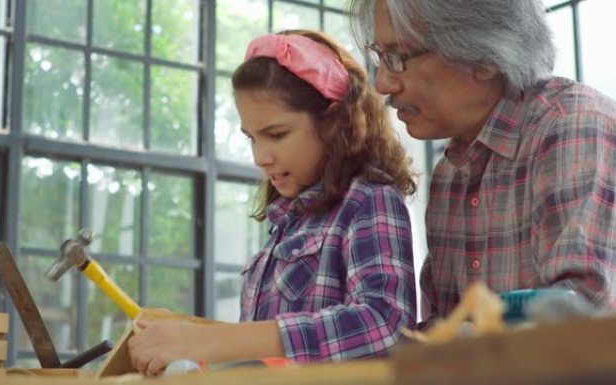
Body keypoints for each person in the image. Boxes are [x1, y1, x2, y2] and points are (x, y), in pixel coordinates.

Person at [128, 29, 417, 375]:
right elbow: (262, 357)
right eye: (252, 138)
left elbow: (384, 322)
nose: (260, 158)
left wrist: (210, 342)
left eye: (276, 135)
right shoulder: (286, 223)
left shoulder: (368, 200)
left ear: (334, 122)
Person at [348, 0, 616, 327]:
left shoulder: (572, 127)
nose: (383, 85)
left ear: (483, 56)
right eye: (380, 57)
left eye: (398, 58)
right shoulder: (449, 175)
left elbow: (581, 320)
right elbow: (444, 327)